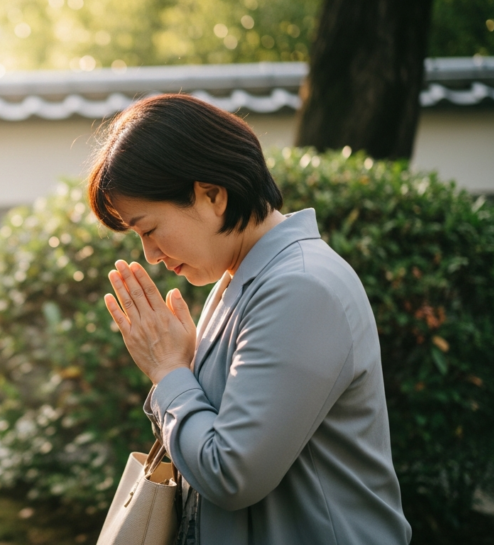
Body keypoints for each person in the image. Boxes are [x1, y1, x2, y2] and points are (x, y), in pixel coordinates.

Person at [87, 94, 412, 545]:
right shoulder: (239, 279)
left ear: (212, 195)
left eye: (148, 229)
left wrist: (168, 371)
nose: (151, 255)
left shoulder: (301, 288)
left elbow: (231, 474)